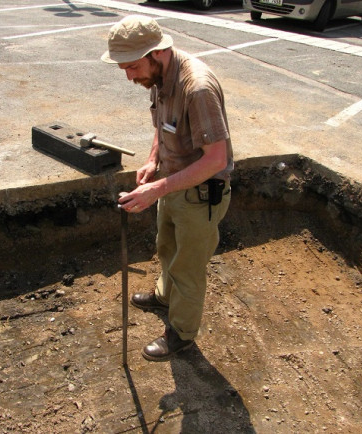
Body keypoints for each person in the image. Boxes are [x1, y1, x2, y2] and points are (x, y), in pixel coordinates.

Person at [101, 15, 234, 362]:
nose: (130, 77)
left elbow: (216, 159)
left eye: (132, 67)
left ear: (157, 53)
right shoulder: (160, 77)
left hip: (201, 194)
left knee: (188, 269)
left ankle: (181, 334)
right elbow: (165, 126)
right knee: (166, 249)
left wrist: (155, 189)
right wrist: (151, 159)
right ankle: (163, 296)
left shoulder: (197, 88)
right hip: (173, 183)